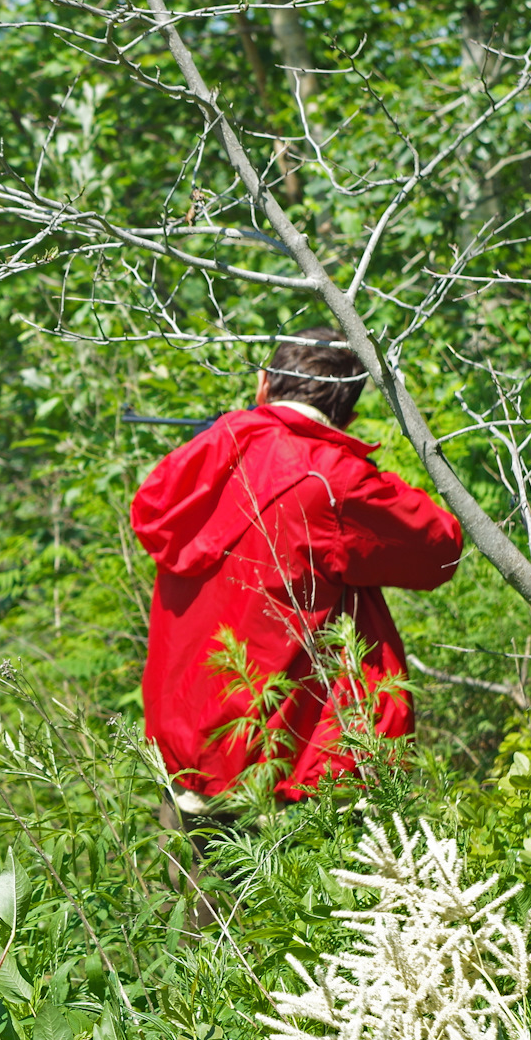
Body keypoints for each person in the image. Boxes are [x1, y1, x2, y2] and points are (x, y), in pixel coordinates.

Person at [130, 327, 463, 823]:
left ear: (263, 384)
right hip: (287, 778)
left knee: (186, 899)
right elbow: (441, 547)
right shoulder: (333, 479)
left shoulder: (194, 460)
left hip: (186, 764)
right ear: (348, 411)